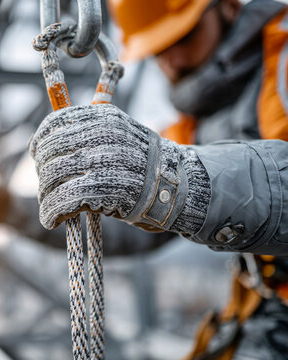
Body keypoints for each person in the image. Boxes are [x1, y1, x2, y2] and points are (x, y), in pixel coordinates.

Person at [28, 0, 288, 358]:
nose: (173, 61)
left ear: (227, 6)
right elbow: (124, 222)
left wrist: (170, 178)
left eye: (185, 36)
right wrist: (16, 208)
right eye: (159, 51)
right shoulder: (195, 127)